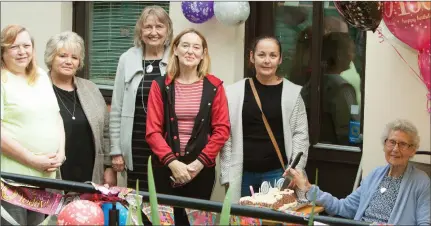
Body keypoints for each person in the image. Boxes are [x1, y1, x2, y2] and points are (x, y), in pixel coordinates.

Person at [146, 28, 230, 225]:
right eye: (185, 45)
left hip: (200, 171)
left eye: (196, 47)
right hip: (165, 169)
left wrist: (197, 164)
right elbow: (152, 131)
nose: (190, 51)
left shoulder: (214, 87)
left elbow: (222, 130)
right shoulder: (160, 86)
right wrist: (173, 164)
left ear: (203, 54)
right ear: (175, 49)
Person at [287, 119, 430, 225]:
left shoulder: (421, 182)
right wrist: (308, 188)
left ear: (412, 150)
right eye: (391, 142)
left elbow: (425, 223)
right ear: (385, 144)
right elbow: (343, 207)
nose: (395, 149)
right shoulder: (375, 175)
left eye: (403, 144)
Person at [220, 36, 310, 203]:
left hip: (277, 173)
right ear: (252, 57)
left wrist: (296, 170)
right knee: (243, 221)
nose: (267, 61)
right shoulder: (234, 93)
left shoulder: (292, 94)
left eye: (272, 55)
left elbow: (300, 134)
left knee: (272, 220)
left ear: (280, 59)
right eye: (261, 55)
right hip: (242, 174)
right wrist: (227, 174)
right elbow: (226, 135)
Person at [0, 25, 65, 225]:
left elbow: (57, 117)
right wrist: (31, 159)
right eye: (14, 47)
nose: (22, 52)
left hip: (43, 180)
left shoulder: (41, 76)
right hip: (11, 183)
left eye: (26, 45)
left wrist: (61, 153)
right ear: (2, 51)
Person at [109, 5, 173, 189]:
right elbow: (117, 108)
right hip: (135, 144)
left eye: (159, 26)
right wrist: (116, 151)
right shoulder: (127, 59)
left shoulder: (176, 58)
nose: (154, 32)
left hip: (167, 145)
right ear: (140, 30)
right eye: (148, 27)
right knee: (137, 201)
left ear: (168, 30)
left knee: (165, 204)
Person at [44, 31, 116, 185]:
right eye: (62, 56)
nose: (69, 61)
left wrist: (108, 167)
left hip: (90, 174)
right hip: (52, 173)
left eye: (74, 57)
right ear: (51, 58)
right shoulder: (39, 87)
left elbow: (106, 131)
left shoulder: (91, 89)